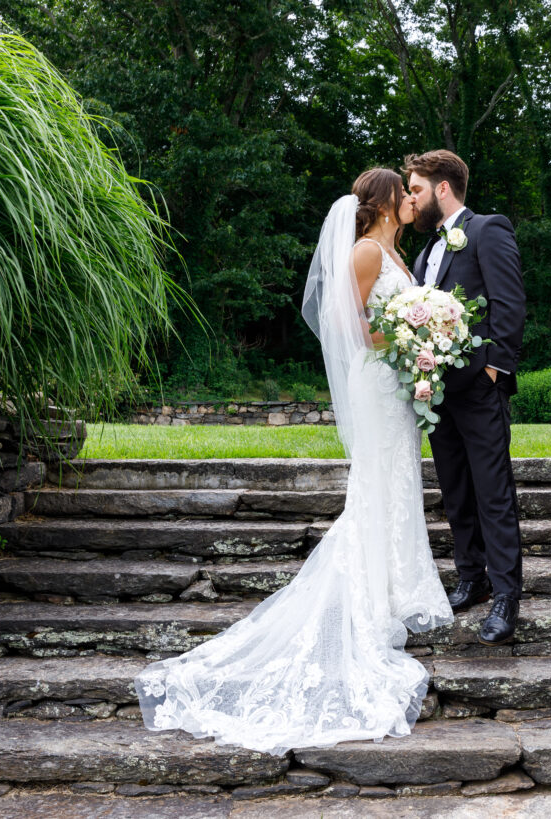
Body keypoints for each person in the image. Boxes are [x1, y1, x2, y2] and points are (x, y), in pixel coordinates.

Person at [134, 169, 452, 756]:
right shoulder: (363, 252)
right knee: (377, 485)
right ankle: (371, 596)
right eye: (404, 194)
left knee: (397, 484)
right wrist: (410, 332)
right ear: (382, 202)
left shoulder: (395, 253)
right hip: (377, 384)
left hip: (397, 386)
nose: (413, 200)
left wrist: (420, 332)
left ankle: (393, 587)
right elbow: (346, 326)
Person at [405, 150, 526, 646]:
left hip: (479, 387)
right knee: (455, 491)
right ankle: (470, 578)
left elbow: (509, 300)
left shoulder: (486, 229)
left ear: (442, 188)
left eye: (415, 188)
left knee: (492, 493)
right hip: (437, 395)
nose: (410, 197)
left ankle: (505, 596)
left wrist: (495, 369)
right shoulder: (424, 252)